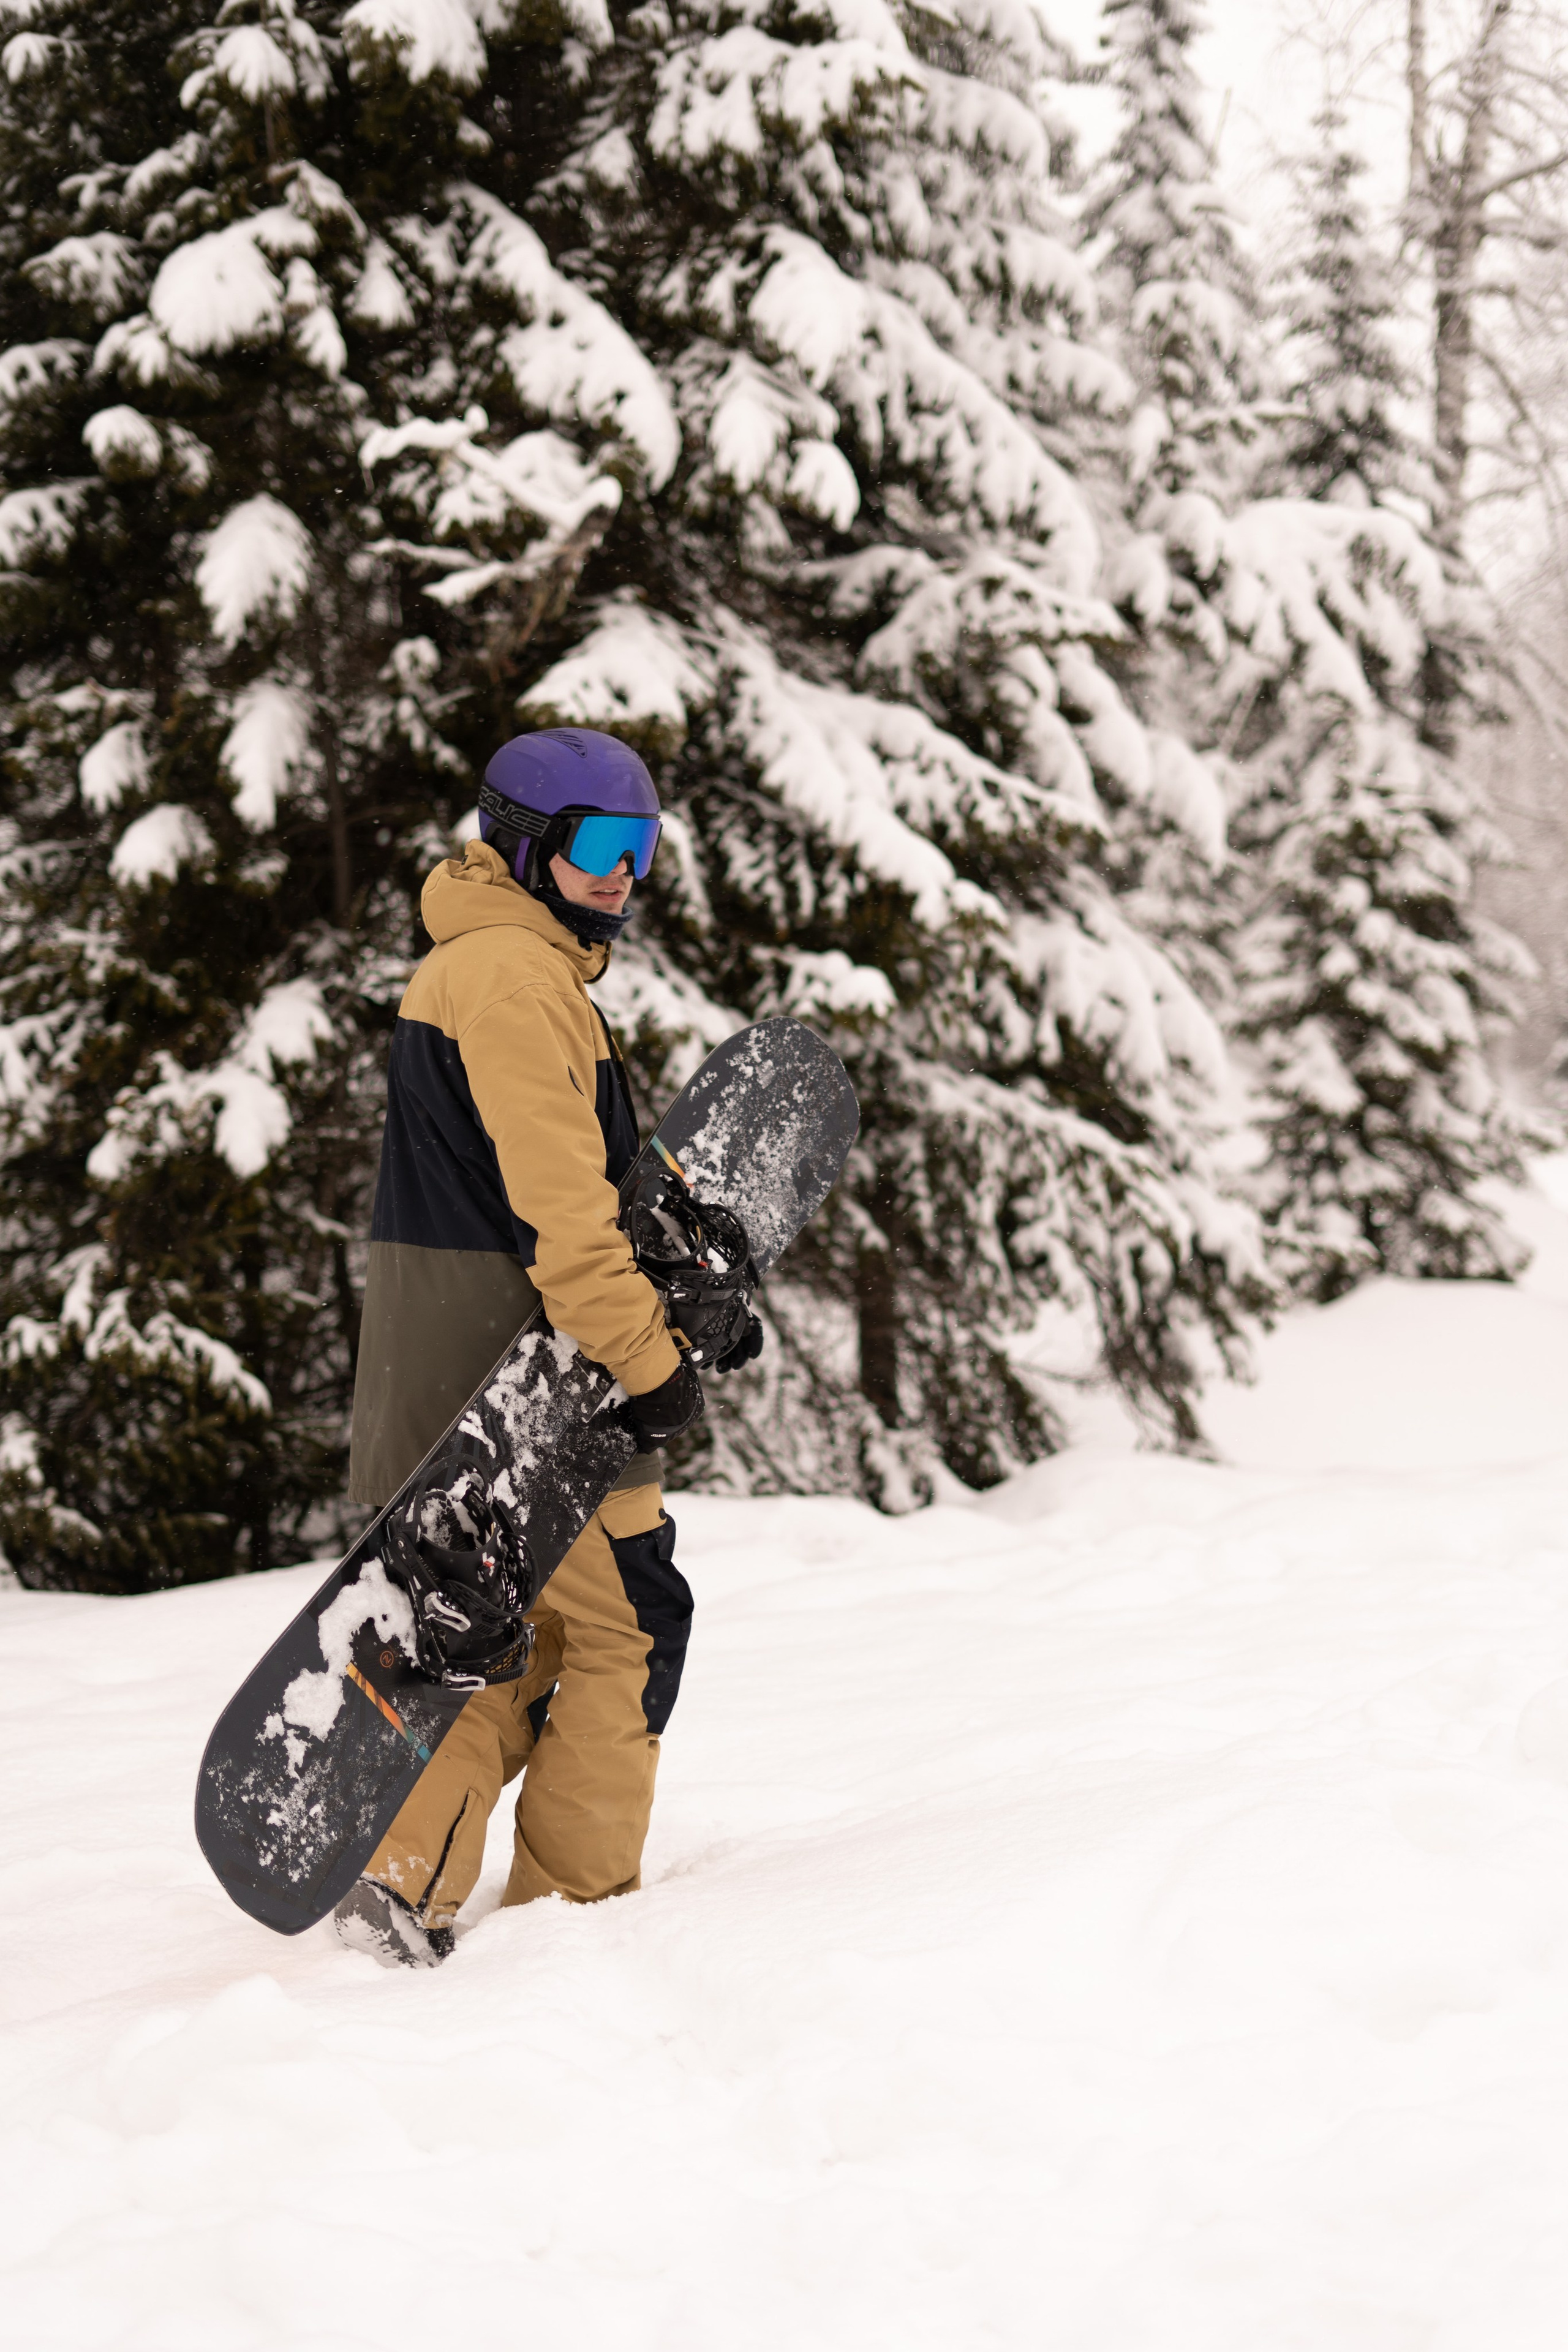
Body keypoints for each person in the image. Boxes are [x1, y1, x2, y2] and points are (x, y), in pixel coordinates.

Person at [334, 727, 760, 1967]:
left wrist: (667, 1235)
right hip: (536, 1384)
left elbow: (532, 1180)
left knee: (504, 1636)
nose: (625, 875)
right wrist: (651, 1362)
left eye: (642, 848)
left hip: (457, 1366)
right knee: (630, 1626)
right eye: (599, 848)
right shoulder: (521, 986)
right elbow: (563, 1227)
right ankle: (576, 1927)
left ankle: (404, 1888)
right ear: (525, 843)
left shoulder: (474, 969)